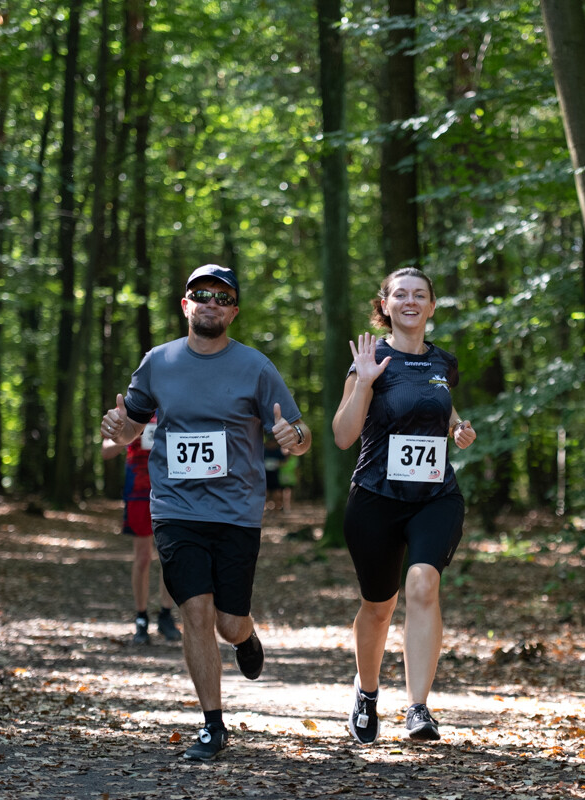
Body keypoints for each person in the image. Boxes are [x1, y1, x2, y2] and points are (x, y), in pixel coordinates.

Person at [99, 264, 312, 762]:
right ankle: (213, 725)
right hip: (175, 508)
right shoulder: (159, 362)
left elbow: (300, 435)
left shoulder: (256, 367)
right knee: (194, 610)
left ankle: (247, 635)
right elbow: (131, 428)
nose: (211, 302)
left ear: (234, 311)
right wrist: (117, 427)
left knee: (227, 624)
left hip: (237, 512)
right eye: (202, 294)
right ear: (185, 304)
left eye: (223, 297)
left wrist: (293, 437)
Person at [331, 267, 476, 745]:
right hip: (376, 498)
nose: (410, 301)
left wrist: (458, 428)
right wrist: (365, 382)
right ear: (385, 305)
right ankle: (367, 692)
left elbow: (443, 408)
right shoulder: (369, 358)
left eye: (419, 295)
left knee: (423, 583)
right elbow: (343, 436)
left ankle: (418, 708)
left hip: (435, 496)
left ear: (431, 305)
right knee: (378, 607)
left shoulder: (443, 361)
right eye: (400, 294)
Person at [101, 417, 182, 645]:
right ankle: (141, 617)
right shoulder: (129, 409)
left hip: (171, 486)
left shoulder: (174, 404)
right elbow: (106, 451)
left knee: (171, 555)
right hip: (139, 487)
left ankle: (166, 615)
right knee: (143, 557)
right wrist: (128, 433)